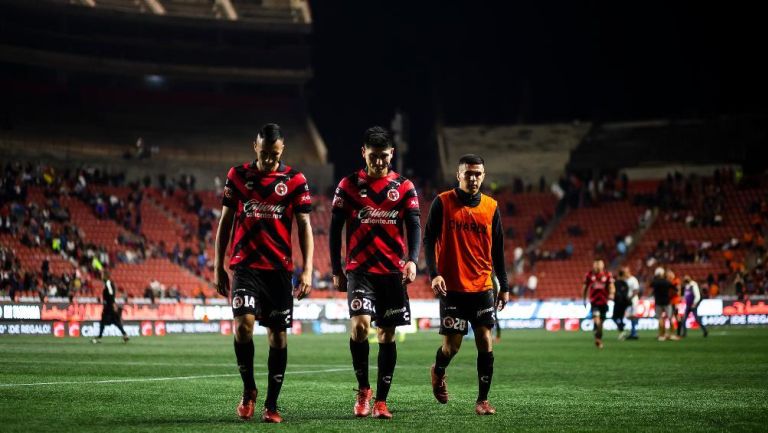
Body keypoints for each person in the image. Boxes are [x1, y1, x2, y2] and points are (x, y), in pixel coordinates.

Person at [214, 123, 314, 423]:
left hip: (279, 270)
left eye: (275, 154)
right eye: (265, 153)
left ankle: (271, 404)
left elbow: (305, 225)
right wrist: (218, 265)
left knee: (277, 338)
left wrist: (307, 269)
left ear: (281, 150)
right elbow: (225, 222)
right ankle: (248, 391)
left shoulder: (295, 179)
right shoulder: (238, 175)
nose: (270, 159)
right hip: (245, 266)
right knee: (242, 326)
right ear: (254, 146)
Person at [330, 126, 421, 420]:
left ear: (391, 154)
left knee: (386, 333)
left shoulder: (404, 187)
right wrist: (335, 268)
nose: (379, 161)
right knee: (359, 327)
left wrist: (413, 260)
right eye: (374, 156)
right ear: (363, 153)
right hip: (360, 271)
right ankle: (363, 390)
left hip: (392, 273)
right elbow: (334, 229)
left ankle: (381, 401)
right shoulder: (349, 185)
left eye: (384, 156)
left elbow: (415, 225)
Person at [423, 154, 510, 415]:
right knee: (452, 347)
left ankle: (482, 400)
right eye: (468, 173)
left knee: (485, 338)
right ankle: (438, 370)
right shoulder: (442, 202)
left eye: (478, 174)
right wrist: (434, 274)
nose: (473, 178)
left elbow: (499, 251)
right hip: (452, 288)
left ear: (483, 176)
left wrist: (503, 285)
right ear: (458, 175)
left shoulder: (491, 207)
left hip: (482, 285)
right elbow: (429, 240)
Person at [581, 259, 615, 349]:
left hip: (604, 302)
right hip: (594, 302)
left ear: (603, 265)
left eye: (599, 264)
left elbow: (611, 286)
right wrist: (584, 300)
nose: (597, 266)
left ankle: (597, 336)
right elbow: (584, 288)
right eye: (596, 264)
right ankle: (598, 339)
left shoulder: (608, 275)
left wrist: (612, 293)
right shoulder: (589, 275)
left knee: (601, 323)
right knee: (597, 319)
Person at [91, 271, 129, 344]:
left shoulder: (108, 283)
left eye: (102, 275)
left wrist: (112, 303)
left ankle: (99, 337)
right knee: (115, 321)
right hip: (110, 305)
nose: (101, 276)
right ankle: (124, 334)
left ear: (105, 276)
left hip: (109, 306)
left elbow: (111, 294)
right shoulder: (107, 283)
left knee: (103, 322)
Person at [650, 267, 678, 341]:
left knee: (660, 319)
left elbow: (650, 285)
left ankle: (661, 335)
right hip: (667, 302)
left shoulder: (655, 282)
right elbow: (676, 289)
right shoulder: (667, 282)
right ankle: (672, 335)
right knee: (670, 318)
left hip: (658, 302)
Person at [613, 268, 630, 339]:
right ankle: (622, 328)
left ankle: (621, 328)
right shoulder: (625, 284)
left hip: (618, 303)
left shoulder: (616, 283)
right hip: (624, 303)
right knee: (620, 317)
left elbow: (615, 293)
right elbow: (626, 294)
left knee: (614, 317)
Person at [624, 266, 641, 340]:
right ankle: (633, 331)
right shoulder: (624, 280)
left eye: (625, 272)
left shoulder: (633, 279)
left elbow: (636, 290)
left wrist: (630, 297)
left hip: (633, 301)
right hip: (627, 301)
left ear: (628, 272)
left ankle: (634, 333)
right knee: (629, 316)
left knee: (633, 316)